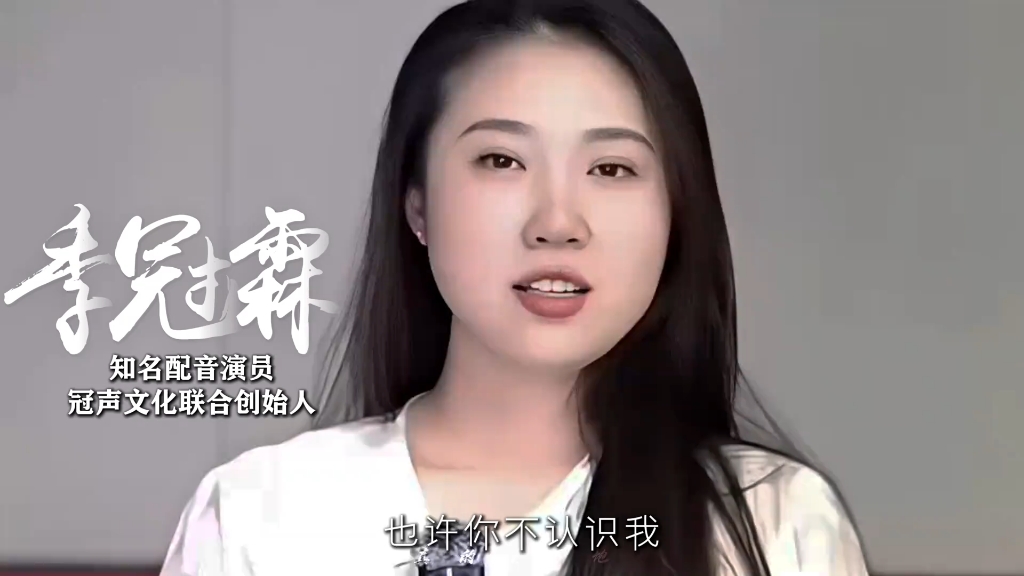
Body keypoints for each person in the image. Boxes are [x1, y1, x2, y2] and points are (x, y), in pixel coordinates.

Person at [161, 0, 871, 574]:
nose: (557, 222)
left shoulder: (773, 525)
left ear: (676, 214)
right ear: (417, 205)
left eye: (611, 169)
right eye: (501, 160)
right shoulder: (262, 516)